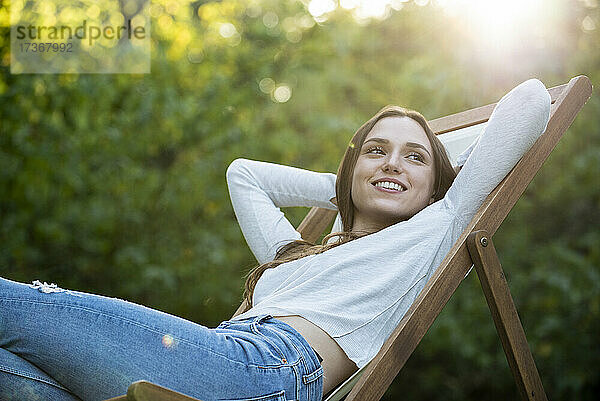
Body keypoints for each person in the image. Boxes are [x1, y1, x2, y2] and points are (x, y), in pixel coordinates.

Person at [0, 79, 551, 401]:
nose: (393, 163)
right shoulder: (297, 257)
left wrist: (411, 185)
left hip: (265, 372)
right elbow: (244, 174)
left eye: (414, 157)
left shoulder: (438, 227)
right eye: (376, 150)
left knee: (13, 304)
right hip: (226, 361)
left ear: (440, 180)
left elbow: (531, 100)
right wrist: (349, 192)